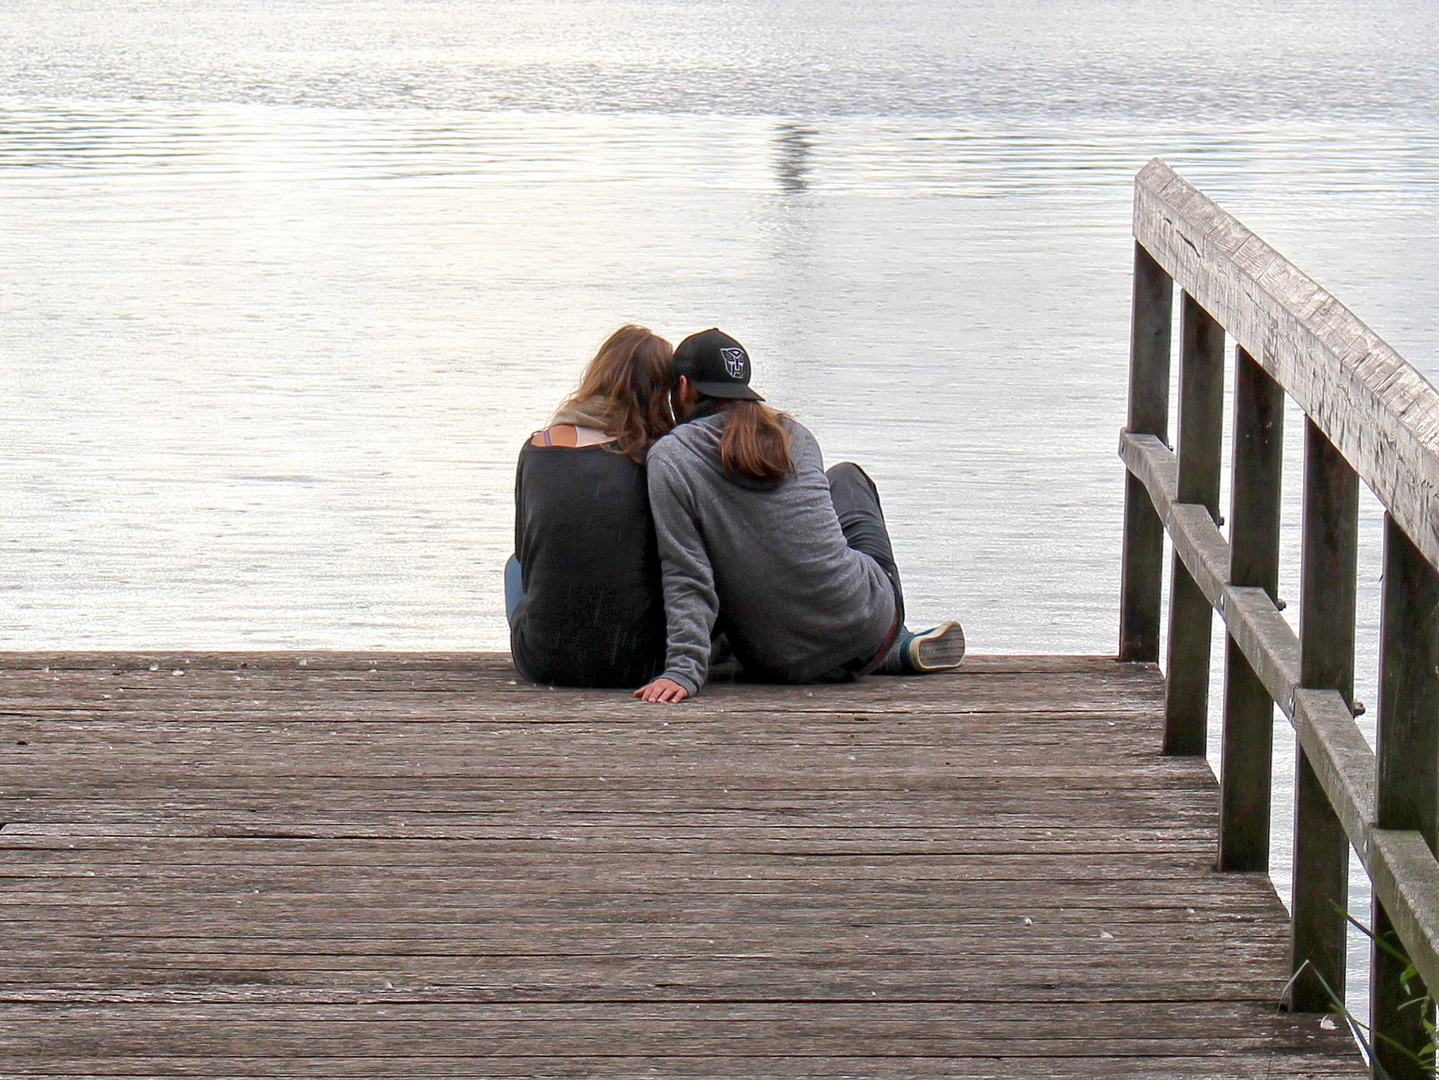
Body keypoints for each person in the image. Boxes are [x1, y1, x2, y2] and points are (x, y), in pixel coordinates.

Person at [635, 327, 964, 704]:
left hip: (779, 660)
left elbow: (687, 573)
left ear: (683, 387)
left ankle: (898, 649)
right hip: (869, 628)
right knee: (846, 478)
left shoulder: (672, 457)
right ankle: (898, 643)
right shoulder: (796, 435)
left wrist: (683, 670)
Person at [507, 325, 675, 688]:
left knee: (514, 566)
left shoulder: (538, 448)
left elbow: (525, 551)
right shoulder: (655, 456)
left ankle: (558, 636)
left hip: (543, 660)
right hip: (640, 663)